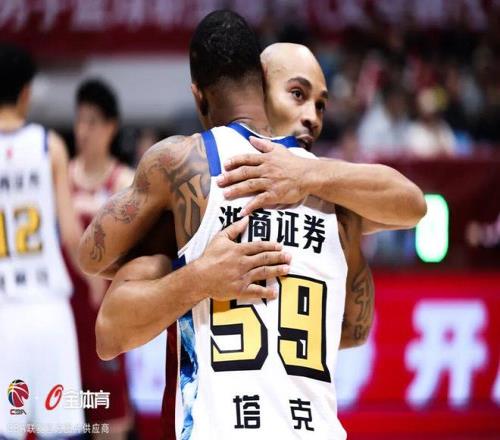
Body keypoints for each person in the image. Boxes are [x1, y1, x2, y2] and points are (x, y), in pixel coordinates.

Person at [78, 11, 426, 439]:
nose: (312, 117)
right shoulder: (344, 200)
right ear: (260, 87)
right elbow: (355, 328)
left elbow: (94, 264)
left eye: (320, 104)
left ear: (200, 95)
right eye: (297, 94)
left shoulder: (191, 172)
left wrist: (193, 275)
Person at [0, 43, 84, 438]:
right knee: (60, 428)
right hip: (48, 307)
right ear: (26, 92)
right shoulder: (50, 145)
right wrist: (98, 282)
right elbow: (70, 234)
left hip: (4, 311)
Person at [68, 78, 135, 439]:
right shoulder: (60, 178)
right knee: (56, 422)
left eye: (92, 122)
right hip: (66, 321)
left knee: (110, 425)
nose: (83, 130)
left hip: (106, 323)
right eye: (79, 120)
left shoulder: (124, 183)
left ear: (111, 127)